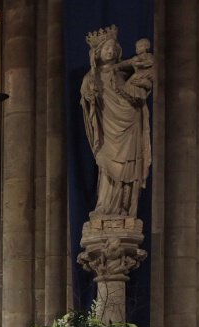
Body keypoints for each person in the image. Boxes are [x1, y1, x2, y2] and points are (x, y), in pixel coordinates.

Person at [80, 27, 152, 218]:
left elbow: (140, 85)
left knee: (128, 168)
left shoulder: (122, 73)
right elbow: (86, 97)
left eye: (113, 48)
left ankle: (125, 209)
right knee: (106, 166)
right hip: (108, 129)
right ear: (97, 53)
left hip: (129, 123)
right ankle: (105, 207)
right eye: (106, 49)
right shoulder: (91, 77)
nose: (110, 51)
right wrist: (90, 94)